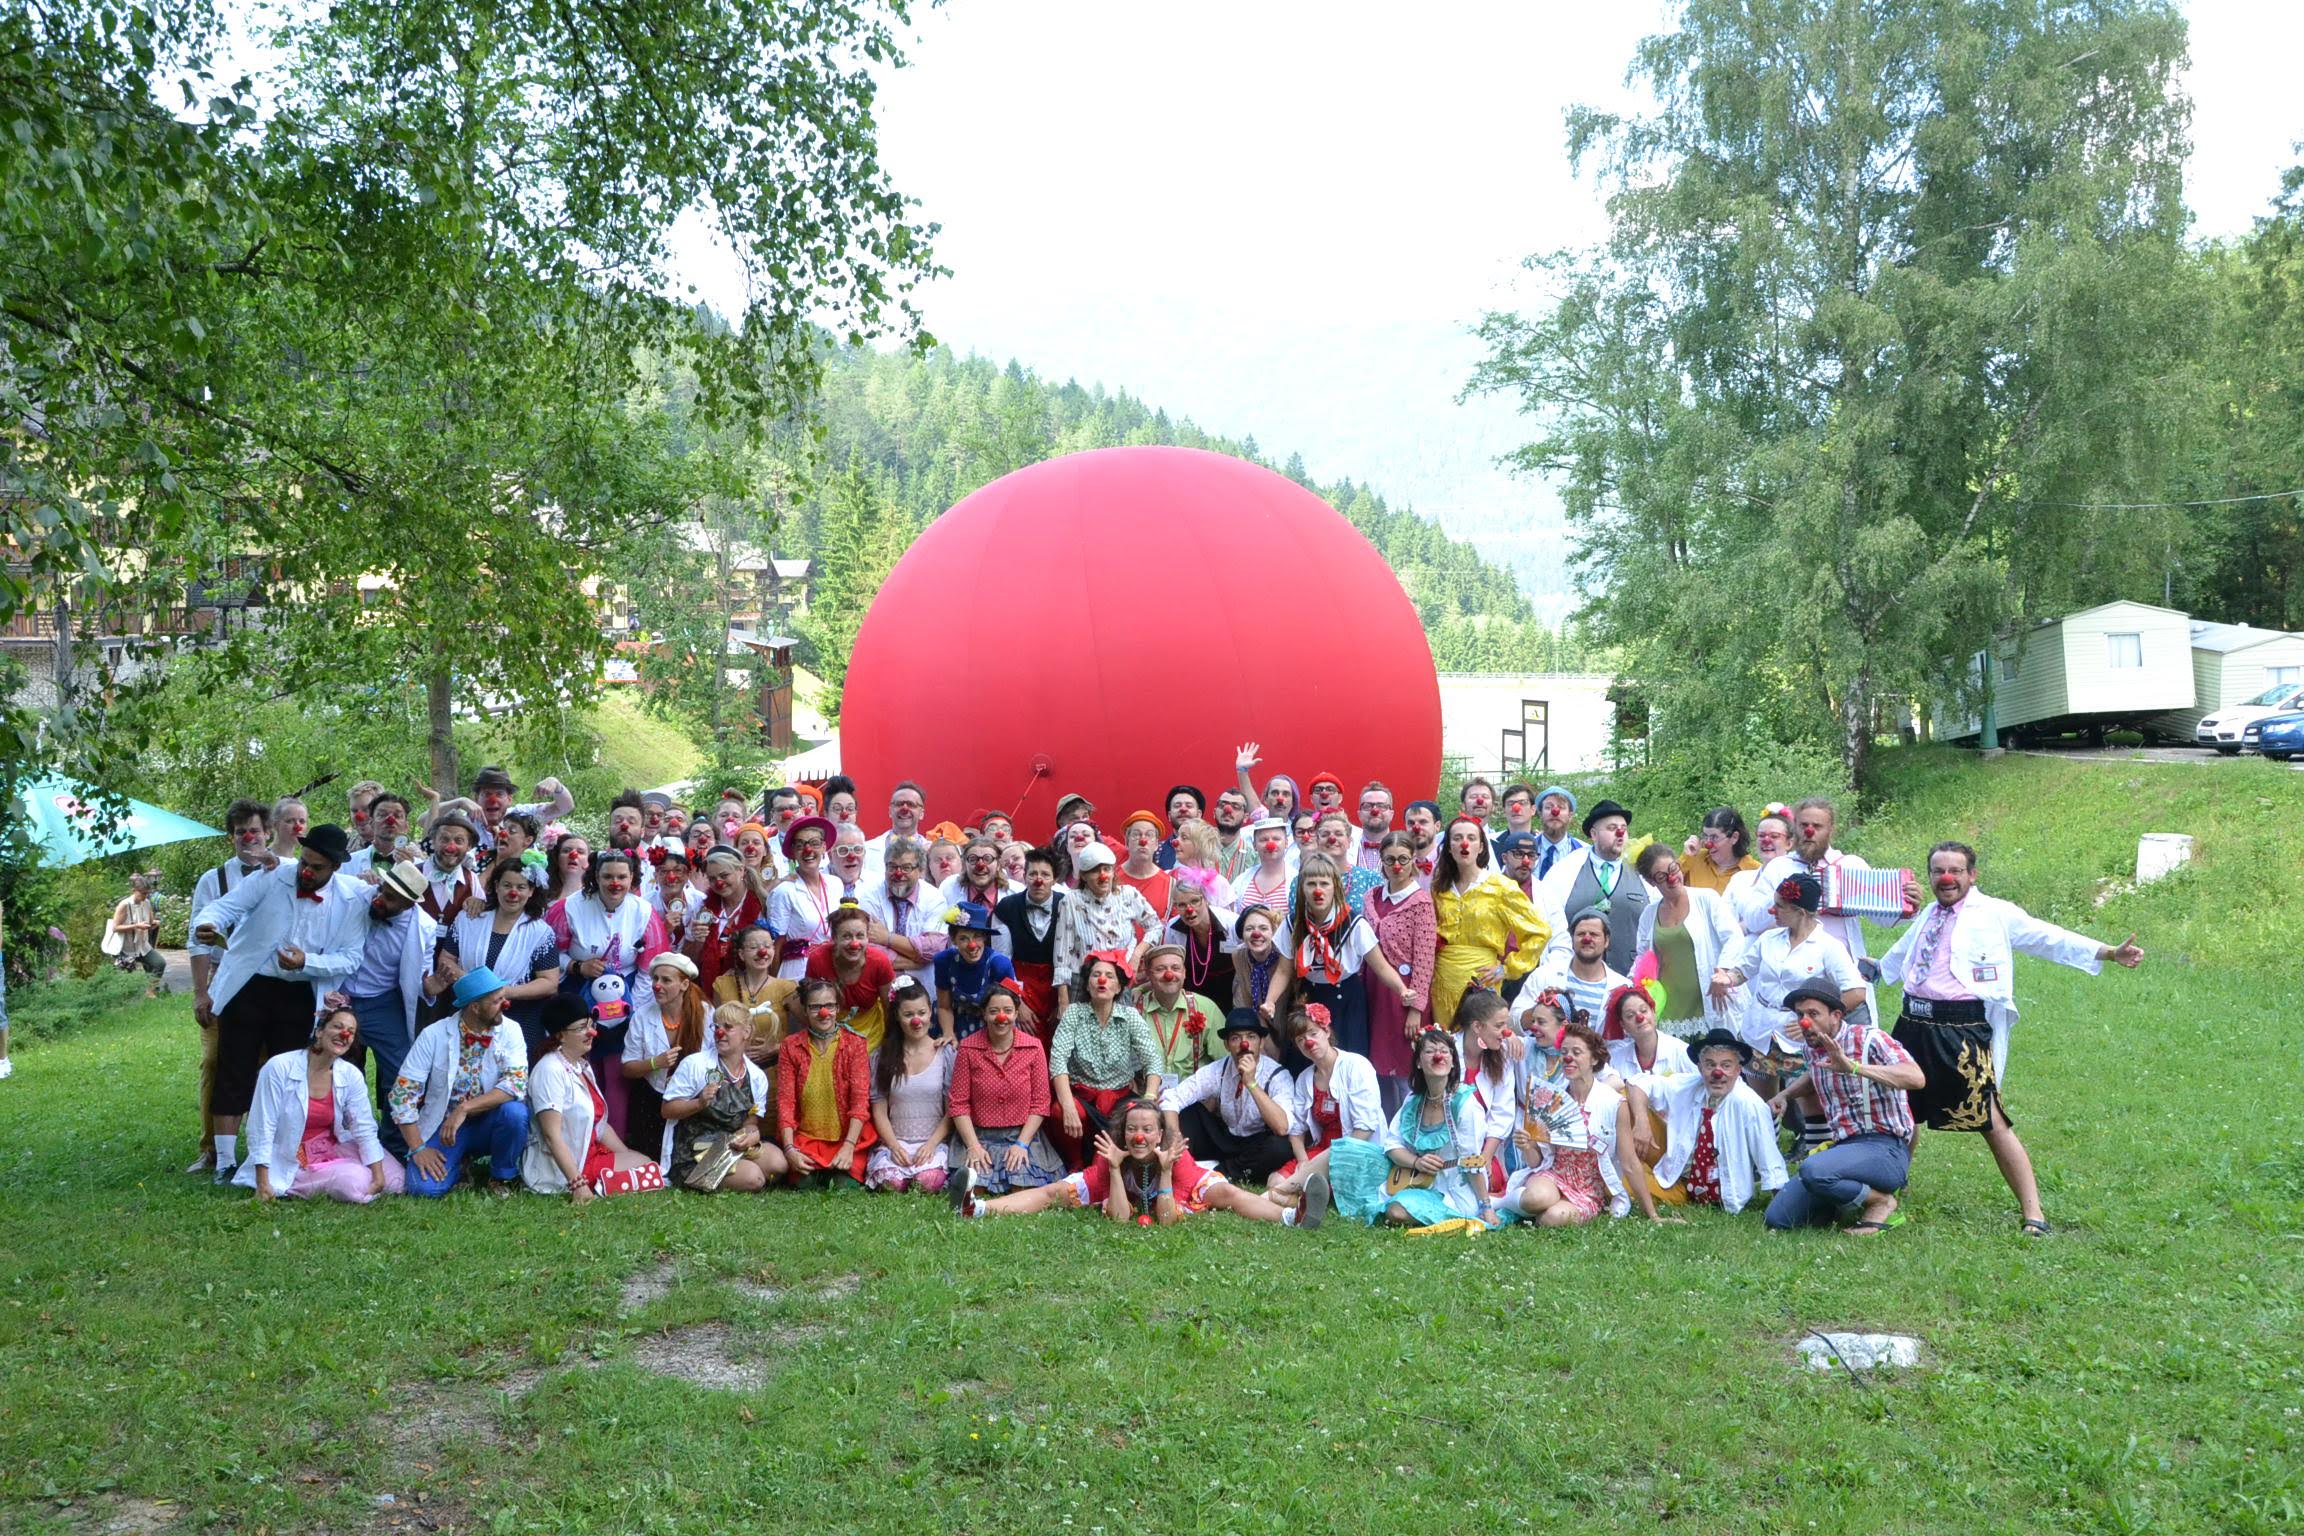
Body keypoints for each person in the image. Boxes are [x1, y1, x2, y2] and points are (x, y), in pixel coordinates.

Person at [1876, 840, 2144, 1237]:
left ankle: (2033, 1213)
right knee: (1903, 1111)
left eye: (1955, 871)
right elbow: (1895, 960)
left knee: (1990, 1119)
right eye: (1938, 871)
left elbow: (2047, 937)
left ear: (1972, 875)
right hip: (1912, 1025)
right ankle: (1889, 1191)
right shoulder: (1929, 914)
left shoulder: (1996, 913)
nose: (1946, 878)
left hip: (1961, 1032)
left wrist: (2106, 952)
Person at [192, 823, 364, 1185]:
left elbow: (350, 958)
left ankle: (280, 1155)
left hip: (300, 994)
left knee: (289, 1077)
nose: (306, 871)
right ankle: (224, 1161)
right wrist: (208, 922)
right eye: (305, 861)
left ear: (335, 867)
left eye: (317, 867)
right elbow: (227, 906)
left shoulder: (351, 899)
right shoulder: (273, 875)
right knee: (233, 1069)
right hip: (251, 985)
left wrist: (308, 962)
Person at [955, 1095, 1295, 1226]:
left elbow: (1166, 1221)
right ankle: (978, 1208)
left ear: (1160, 1135)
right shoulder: (1112, 1155)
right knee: (1051, 1193)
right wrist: (1115, 1168)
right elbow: (1118, 1219)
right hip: (1120, 1186)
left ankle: (1292, 1217)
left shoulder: (1177, 1157)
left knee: (1230, 1195)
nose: (1139, 1136)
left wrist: (1164, 1171)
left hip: (1173, 1189)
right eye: (1132, 1129)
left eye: (1147, 1129)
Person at [1763, 982, 1925, 1234]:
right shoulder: (1812, 1048)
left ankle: (1881, 1202)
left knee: (1813, 1170)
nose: (1804, 1022)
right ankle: (1843, 1200)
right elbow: (1815, 1074)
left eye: (1813, 1014)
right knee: (1779, 1218)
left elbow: (1915, 1077)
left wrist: (1854, 1068)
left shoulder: (1870, 1038)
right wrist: (1785, 1094)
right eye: (1800, 1015)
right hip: (1844, 1148)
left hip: (1885, 1148)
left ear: (1836, 1015)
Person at [1732, 798, 1916, 1009]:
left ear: (1831, 830)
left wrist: (1909, 905)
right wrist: (1786, 894)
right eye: (1804, 825)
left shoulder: (1850, 865)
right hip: (1792, 974)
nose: (1809, 832)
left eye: (1817, 826)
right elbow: (1754, 921)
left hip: (1840, 973)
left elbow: (1884, 919)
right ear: (1795, 828)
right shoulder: (1779, 867)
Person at [186, 798, 276, 1170]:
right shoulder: (215, 880)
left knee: (268, 1064)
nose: (249, 838)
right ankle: (211, 1150)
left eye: (255, 830)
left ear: (268, 833)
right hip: (226, 985)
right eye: (241, 833)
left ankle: (266, 1148)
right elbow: (197, 937)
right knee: (214, 1062)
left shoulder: (284, 873)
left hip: (272, 985)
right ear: (231, 838)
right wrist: (200, 992)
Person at [389, 967, 531, 1198]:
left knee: (515, 1113)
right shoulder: (433, 1035)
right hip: (445, 1127)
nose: (505, 1005)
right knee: (422, 1189)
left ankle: (502, 1175)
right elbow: (401, 1095)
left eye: (503, 998)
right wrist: (418, 1148)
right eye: (496, 1001)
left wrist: (465, 1108)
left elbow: (516, 1085)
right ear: (474, 1007)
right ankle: (460, 1164)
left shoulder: (511, 1030)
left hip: (489, 1121)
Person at [236, 1006, 403, 1202]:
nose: (344, 1034)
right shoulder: (278, 1067)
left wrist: (378, 1173)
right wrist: (263, 1183)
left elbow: (364, 1126)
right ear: (319, 1032)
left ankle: (342, 1172)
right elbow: (261, 1126)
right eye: (337, 1026)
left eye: (351, 1031)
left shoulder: (350, 1075)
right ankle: (305, 1180)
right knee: (355, 1182)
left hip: (332, 1147)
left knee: (397, 1178)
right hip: (294, 1154)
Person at [1328, 1028, 1488, 1229]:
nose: (1438, 1056)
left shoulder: (1465, 1104)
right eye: (1430, 1051)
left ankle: (1434, 1211)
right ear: (1419, 1062)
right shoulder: (1413, 1101)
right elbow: (1392, 1145)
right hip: (1412, 1177)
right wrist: (1417, 1162)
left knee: (1397, 1211)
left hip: (1452, 1187)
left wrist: (1486, 1206)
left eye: (1444, 1051)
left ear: (1453, 1061)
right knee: (1349, 1148)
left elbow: (1472, 1161)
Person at [1712, 872, 1864, 1082]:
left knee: (1803, 1105)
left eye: (1779, 906)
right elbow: (1743, 970)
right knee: (1763, 1105)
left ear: (1800, 912)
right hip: (1759, 1032)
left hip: (1798, 1041)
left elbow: (1856, 992)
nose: (1771, 910)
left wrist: (1815, 1022)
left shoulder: (1828, 947)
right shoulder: (1769, 938)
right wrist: (1727, 979)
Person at [1621, 1027, 1785, 1220]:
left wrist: (1782, 1207)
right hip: (1675, 1170)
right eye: (1710, 1064)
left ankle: (1622, 1174)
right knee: (1624, 1099)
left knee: (1617, 1183)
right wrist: (1641, 1122)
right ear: (1699, 1068)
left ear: (1738, 1070)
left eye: (1726, 1065)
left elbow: (1769, 1158)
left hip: (1710, 1192)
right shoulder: (1690, 1085)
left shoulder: (1750, 1105)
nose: (1718, 1073)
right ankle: (1626, 1168)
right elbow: (1637, 1083)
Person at [524, 996, 665, 1201]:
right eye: (581, 1027)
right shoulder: (549, 1070)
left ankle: (610, 1182)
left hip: (589, 1154)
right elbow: (551, 1136)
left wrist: (624, 1157)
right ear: (561, 1035)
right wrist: (577, 1185)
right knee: (647, 1168)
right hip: (565, 1168)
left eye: (591, 1024)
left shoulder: (582, 1065)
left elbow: (600, 1125)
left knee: (645, 1164)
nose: (592, 1032)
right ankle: (600, 1186)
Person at [1495, 1018, 1628, 1226]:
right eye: (1564, 1052)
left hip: (1587, 1189)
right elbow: (1536, 1161)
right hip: (1553, 1174)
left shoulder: (1611, 1101)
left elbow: (1630, 1162)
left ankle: (1537, 1211)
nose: (1568, 1058)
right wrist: (1528, 1146)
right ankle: (1495, 1204)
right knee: (1535, 1199)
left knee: (1550, 1218)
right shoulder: (1553, 1100)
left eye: (1576, 1052)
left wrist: (1653, 1214)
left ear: (1594, 1059)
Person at [1430, 816, 1549, 1037]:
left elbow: (1539, 931)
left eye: (1471, 838)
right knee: (1447, 1046)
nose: (1464, 843)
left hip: (1481, 979)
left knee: (1481, 1042)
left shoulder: (1500, 887)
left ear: (1481, 846)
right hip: (1443, 982)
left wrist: (1508, 968)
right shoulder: (1439, 888)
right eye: (1457, 838)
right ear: (1449, 847)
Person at [1288, 852, 1408, 1067]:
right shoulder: (1294, 923)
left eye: (1324, 883)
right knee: (1306, 1062)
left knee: (1348, 1061)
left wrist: (1402, 989)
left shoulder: (1354, 923)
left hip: (1347, 999)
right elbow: (1283, 969)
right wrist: (1270, 1000)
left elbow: (1380, 966)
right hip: (1309, 995)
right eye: (1311, 883)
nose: (1318, 889)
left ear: (1335, 886)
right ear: (1301, 888)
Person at [339, 862, 438, 1120]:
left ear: (408, 903)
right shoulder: (362, 896)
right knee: (332, 1066)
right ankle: (338, 1135)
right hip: (339, 997)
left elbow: (420, 979)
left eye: (390, 898)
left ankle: (393, 1144)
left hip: (383, 1001)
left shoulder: (423, 928)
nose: (380, 899)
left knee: (401, 1073)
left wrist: (430, 986)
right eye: (382, 890)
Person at [1047, 950, 1162, 1169]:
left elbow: (1152, 1060)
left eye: (1109, 976)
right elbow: (1058, 1060)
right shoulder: (1074, 1013)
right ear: (1088, 984)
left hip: (1119, 1097)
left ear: (1118, 987)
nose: (1102, 980)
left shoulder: (1130, 1016)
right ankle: (1076, 1164)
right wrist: (1068, 1103)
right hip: (1083, 1095)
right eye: (1096, 975)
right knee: (1060, 1110)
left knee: (1137, 1117)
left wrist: (1148, 1097)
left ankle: (1118, 1167)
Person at [946, 980, 1060, 1201]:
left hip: (1020, 1135)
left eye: (1008, 1011)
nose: (1002, 1017)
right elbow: (958, 1104)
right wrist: (973, 1146)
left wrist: (1021, 1144)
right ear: (984, 1014)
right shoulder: (968, 1048)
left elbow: (1040, 1103)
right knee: (975, 1190)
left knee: (1022, 1190)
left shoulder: (1034, 1047)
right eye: (994, 1011)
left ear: (1017, 1013)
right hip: (979, 1135)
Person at [438, 854, 562, 1058]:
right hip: (471, 1014)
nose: (513, 893)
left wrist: (503, 991)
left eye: (521, 887)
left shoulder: (541, 933)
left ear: (531, 891)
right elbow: (446, 959)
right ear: (496, 886)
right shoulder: (469, 919)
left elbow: (549, 983)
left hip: (518, 1019)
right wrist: (476, 986)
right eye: (507, 885)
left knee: (510, 1083)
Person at [1264, 1003, 1382, 1216]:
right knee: (1276, 1179)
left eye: (1313, 1033)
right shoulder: (1305, 1078)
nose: (1308, 1042)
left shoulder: (1356, 1065)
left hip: (1355, 1151)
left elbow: (1365, 1129)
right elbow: (1297, 1128)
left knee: (1286, 1185)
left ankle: (1274, 1199)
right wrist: (1303, 1161)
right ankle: (1301, 1201)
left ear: (1327, 1031)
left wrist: (1323, 1161)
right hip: (1320, 1151)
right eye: (1300, 1040)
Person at [1158, 1008, 1294, 1182]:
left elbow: (1282, 1127)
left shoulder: (1277, 1075)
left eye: (1251, 1037)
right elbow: (1172, 1098)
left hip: (1257, 1143)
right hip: (1225, 1139)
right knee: (1188, 1114)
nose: (1244, 1044)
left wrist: (1251, 1083)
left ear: (1261, 1042)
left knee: (1280, 1148)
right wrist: (1174, 1136)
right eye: (1236, 1038)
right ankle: (1185, 1164)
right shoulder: (1218, 1070)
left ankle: (1218, 1171)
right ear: (1227, 1045)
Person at [665, 1003, 787, 1192]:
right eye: (716, 1026)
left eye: (728, 1027)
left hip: (731, 1146)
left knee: (778, 1164)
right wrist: (699, 1103)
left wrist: (752, 1136)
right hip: (692, 1152)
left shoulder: (756, 1076)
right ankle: (700, 1178)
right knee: (754, 1179)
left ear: (746, 1032)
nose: (719, 1032)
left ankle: (739, 1174)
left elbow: (750, 1123)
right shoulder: (695, 1064)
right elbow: (667, 1110)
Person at [1633, 844, 1744, 1040]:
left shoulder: (1706, 898)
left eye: (1673, 869)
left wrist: (1724, 972)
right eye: (1661, 877)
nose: (1671, 878)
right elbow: (1642, 958)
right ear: (1652, 882)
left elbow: (1734, 937)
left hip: (1709, 1001)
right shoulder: (1649, 914)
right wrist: (1632, 989)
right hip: (1670, 1008)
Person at [776, 975, 876, 1187]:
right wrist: (789, 1149)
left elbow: (860, 1102)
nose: (823, 1013)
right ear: (804, 1010)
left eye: (829, 1005)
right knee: (805, 1184)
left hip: (847, 1138)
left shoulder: (855, 1045)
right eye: (815, 1007)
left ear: (838, 1008)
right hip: (806, 1139)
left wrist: (849, 1146)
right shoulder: (790, 1046)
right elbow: (786, 1101)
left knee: (844, 1186)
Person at [1360, 832, 1435, 1115]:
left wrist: (1416, 1009)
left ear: (1413, 860)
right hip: (1373, 989)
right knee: (1377, 1067)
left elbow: (1425, 959)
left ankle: (1409, 1127)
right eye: (1390, 860)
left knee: (1404, 1065)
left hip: (1404, 993)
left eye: (1403, 859)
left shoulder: (1421, 902)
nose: (1397, 866)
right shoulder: (1372, 897)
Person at [1537, 799, 1653, 975]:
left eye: (1624, 828)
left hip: (1631, 979)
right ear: (1594, 834)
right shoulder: (1565, 870)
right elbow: (1545, 922)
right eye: (1612, 828)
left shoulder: (1642, 871)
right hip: (1574, 979)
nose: (1620, 833)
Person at [865, 979, 953, 1193]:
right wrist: (894, 1146)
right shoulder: (881, 1057)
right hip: (896, 1143)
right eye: (908, 1015)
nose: (917, 1021)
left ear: (931, 1012)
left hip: (933, 1143)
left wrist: (931, 1145)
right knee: (892, 1183)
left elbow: (952, 1111)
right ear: (897, 1016)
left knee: (927, 1182)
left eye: (921, 1013)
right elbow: (879, 1111)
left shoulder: (946, 1053)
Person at [1050, 844, 1160, 1012]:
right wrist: (1063, 999)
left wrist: (1136, 955)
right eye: (1095, 871)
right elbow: (1063, 952)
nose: (1103, 876)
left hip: (1118, 981)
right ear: (1084, 876)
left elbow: (1155, 927)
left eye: (1107, 869)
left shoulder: (1128, 895)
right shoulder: (1071, 900)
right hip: (1082, 984)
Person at [621, 950, 706, 1164]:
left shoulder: (705, 1013)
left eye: (666, 980)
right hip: (651, 1099)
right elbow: (627, 1068)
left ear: (684, 985)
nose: (657, 985)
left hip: (693, 1099)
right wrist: (654, 1063)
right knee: (649, 1160)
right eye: (655, 979)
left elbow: (715, 1060)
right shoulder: (642, 1015)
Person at [1519, 909, 1629, 1034]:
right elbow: (1514, 1020)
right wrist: (1539, 1010)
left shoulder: (1622, 987)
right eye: (1581, 934)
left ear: (1606, 941)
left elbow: (1627, 1039)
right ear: (1572, 939)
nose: (1587, 939)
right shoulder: (1544, 975)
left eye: (1594, 934)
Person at [991, 846, 1066, 1031]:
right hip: (1020, 988)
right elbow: (1001, 960)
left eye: (1045, 875)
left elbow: (1072, 958)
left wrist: (1063, 1001)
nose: (1038, 881)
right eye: (1033, 874)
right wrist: (1017, 1003)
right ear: (1024, 876)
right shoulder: (1006, 907)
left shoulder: (1067, 905)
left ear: (1054, 879)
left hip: (1058, 989)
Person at [805, 903, 896, 1051]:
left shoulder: (879, 961)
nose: (855, 944)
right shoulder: (818, 959)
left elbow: (889, 1007)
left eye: (860, 936)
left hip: (872, 1034)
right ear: (834, 938)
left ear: (868, 937)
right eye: (846, 936)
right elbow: (810, 1006)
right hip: (828, 1033)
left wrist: (891, 1045)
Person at [684, 845, 767, 992]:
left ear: (741, 871)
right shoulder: (703, 908)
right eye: (712, 878)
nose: (719, 883)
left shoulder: (763, 905)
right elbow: (689, 962)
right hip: (710, 990)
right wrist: (698, 942)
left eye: (724, 875)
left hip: (751, 989)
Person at [766, 815, 838, 979]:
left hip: (832, 968)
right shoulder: (784, 892)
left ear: (824, 847)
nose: (808, 850)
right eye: (800, 845)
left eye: (814, 843)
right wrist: (775, 986)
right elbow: (776, 945)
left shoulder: (835, 884)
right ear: (793, 853)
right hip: (799, 972)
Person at [1134, 943, 1219, 1081]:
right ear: (1149, 974)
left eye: (1175, 968)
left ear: (1184, 973)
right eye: (1160, 969)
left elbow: (1226, 1060)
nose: (1169, 975)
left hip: (1193, 1097)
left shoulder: (1206, 1007)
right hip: (1146, 1097)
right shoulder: (1134, 1010)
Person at [932, 901, 1016, 1040]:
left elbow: (1008, 1008)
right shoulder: (943, 961)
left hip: (992, 1025)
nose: (972, 945)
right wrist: (949, 1035)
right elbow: (944, 1007)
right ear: (953, 939)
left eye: (977, 936)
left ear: (984, 937)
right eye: (964, 938)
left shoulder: (1000, 965)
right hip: (953, 1023)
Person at [1160, 873, 1234, 1013]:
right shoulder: (1173, 928)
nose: (1189, 909)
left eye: (1195, 901)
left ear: (1206, 899)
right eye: (1181, 905)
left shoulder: (1231, 924)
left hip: (1231, 998)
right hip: (1193, 1000)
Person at [1600, 982, 1695, 1082]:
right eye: (1630, 1016)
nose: (1640, 1018)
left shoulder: (1681, 1052)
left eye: (1644, 1010)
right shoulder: (1616, 1060)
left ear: (1653, 1013)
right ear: (1623, 1025)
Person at [413, 813, 484, 922]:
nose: (450, 848)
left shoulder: (472, 880)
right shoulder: (413, 873)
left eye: (459, 841)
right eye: (444, 839)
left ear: (468, 846)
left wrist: (479, 903)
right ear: (433, 841)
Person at [106, 873, 168, 995]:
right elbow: (115, 927)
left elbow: (149, 921)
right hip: (127, 948)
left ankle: (151, 992)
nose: (145, 896)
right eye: (143, 893)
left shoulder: (147, 903)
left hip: (143, 946)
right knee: (128, 980)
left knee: (159, 963)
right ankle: (127, 998)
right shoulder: (124, 905)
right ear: (134, 890)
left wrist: (153, 923)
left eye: (147, 893)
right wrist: (136, 926)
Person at [1311, 812, 1383, 915]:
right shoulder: (1304, 881)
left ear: (1349, 841)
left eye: (1339, 834)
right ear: (1317, 842)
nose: (1332, 839)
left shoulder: (1371, 879)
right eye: (1325, 834)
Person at [1230, 905, 1289, 1025]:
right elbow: (1244, 999)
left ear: (1273, 932)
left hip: (1288, 1021)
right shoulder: (1239, 956)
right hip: (1258, 1024)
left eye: (1263, 928)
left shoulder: (1284, 955)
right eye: (1249, 929)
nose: (1256, 934)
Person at [861, 780, 929, 885]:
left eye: (911, 804)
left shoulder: (932, 852)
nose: (905, 808)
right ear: (890, 811)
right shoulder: (866, 849)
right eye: (899, 804)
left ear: (921, 814)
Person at [1681, 807, 1760, 895]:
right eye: (1705, 836)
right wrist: (1687, 856)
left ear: (1734, 837)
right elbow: (1667, 885)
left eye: (1714, 837)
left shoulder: (1755, 871)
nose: (1708, 844)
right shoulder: (1693, 859)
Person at [1231, 816, 1296, 923]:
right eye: (1263, 840)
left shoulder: (1296, 880)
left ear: (1286, 843)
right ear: (1254, 845)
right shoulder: (1241, 881)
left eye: (1276, 839)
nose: (1270, 844)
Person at [1116, 811, 1174, 916]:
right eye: (1136, 834)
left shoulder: (1170, 885)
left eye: (1149, 835)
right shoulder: (1111, 880)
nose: (1143, 841)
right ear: (1126, 842)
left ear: (1156, 844)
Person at [1531, 786, 1586, 883]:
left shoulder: (1584, 852)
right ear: (1540, 814)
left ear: (1570, 816)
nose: (1555, 812)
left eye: (1561, 807)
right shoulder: (1526, 849)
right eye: (1548, 807)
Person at [1151, 785, 1204, 870]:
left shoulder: (1212, 850)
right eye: (1177, 806)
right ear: (1169, 815)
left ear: (1199, 815)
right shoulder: (1155, 851)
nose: (1183, 809)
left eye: (1189, 806)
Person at [1353, 782, 1395, 874]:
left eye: (1382, 806)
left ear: (1391, 814)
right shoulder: (1346, 849)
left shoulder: (1404, 849)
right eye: (1367, 806)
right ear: (1359, 814)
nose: (1375, 811)